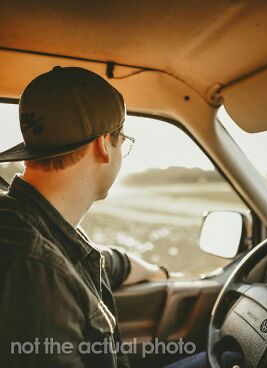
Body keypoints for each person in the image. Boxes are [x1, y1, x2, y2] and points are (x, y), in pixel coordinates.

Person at [0, 67, 240, 368]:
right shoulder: (35, 269)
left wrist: (155, 273)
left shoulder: (31, 223)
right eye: (122, 141)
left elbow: (96, 261)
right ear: (103, 144)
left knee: (225, 358)